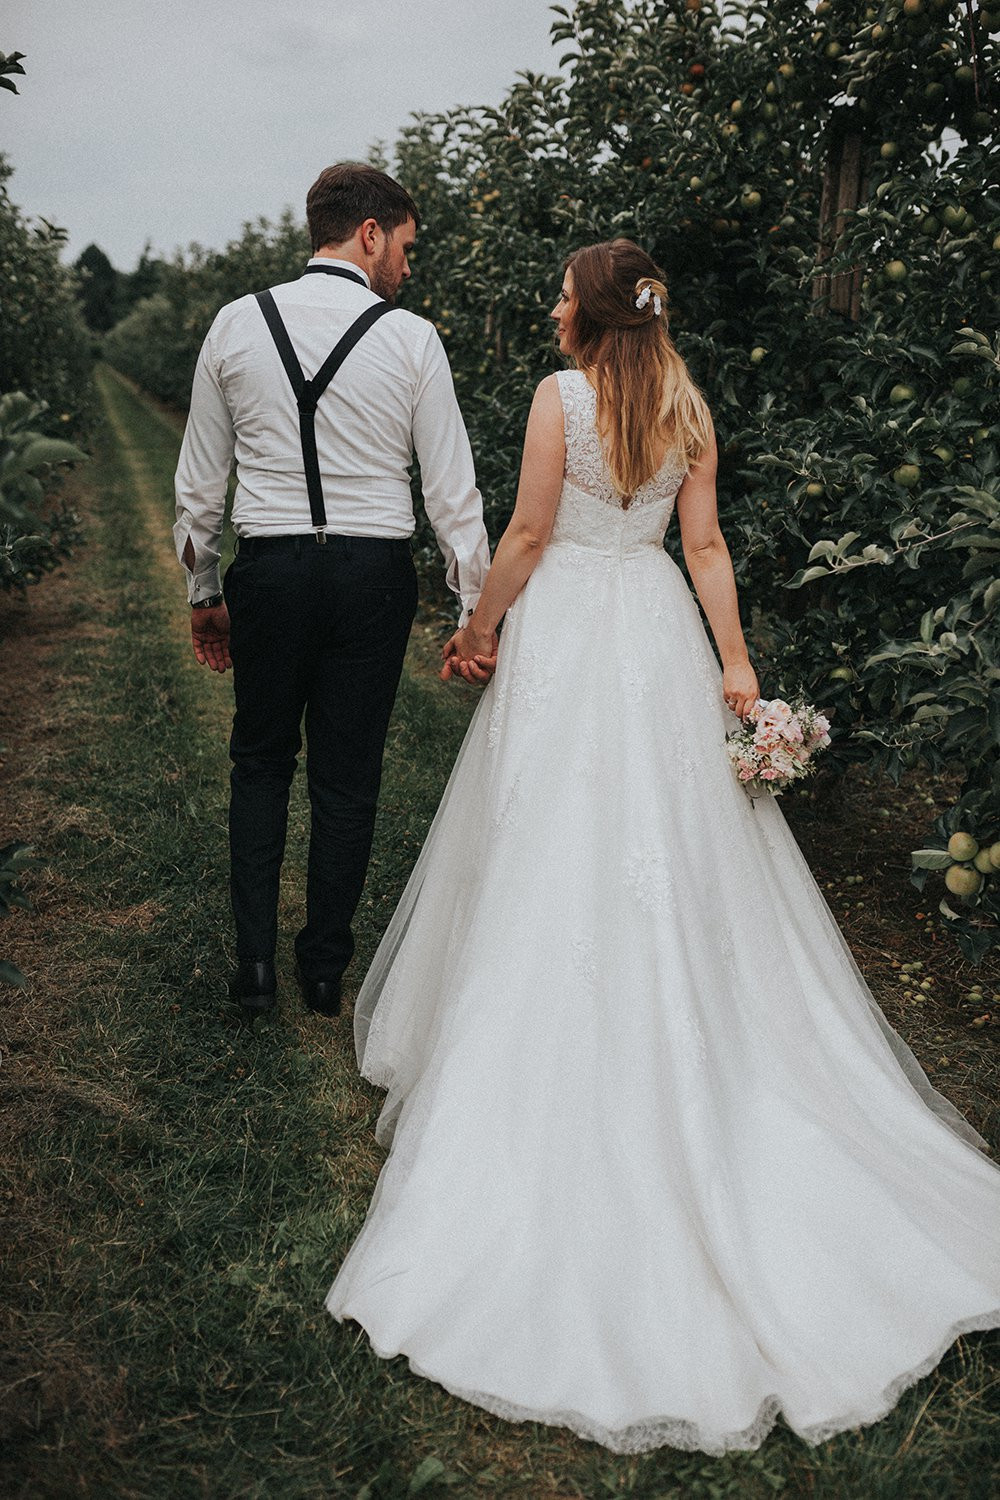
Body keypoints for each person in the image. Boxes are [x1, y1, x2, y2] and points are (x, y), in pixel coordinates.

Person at [324, 239, 1000, 1455]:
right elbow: (704, 550)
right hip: (653, 630)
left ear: (585, 312)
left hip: (572, 631)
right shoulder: (685, 403)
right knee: (669, 847)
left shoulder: (557, 397)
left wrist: (477, 630)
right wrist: (733, 666)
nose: (546, 306)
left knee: (543, 829)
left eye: (556, 291)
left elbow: (527, 535)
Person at [174, 163, 492, 1021]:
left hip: (271, 566)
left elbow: (201, 483)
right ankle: (322, 971)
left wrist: (205, 588)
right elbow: (451, 492)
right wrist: (475, 611)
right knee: (348, 776)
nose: (409, 267)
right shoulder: (412, 339)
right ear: (370, 234)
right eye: (408, 247)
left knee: (260, 760)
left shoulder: (236, 325)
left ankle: (252, 967)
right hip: (370, 576)